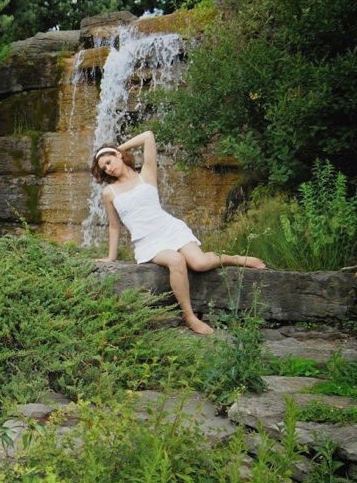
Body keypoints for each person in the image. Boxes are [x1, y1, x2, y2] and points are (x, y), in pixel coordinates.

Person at [92, 130, 266, 335]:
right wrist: (111, 257)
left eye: (110, 161)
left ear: (119, 155)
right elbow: (114, 226)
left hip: (170, 228)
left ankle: (236, 259)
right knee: (176, 260)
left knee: (199, 263)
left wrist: (119, 147)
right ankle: (189, 316)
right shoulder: (109, 193)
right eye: (104, 167)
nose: (109, 168)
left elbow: (148, 135)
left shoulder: (146, 175)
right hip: (148, 242)